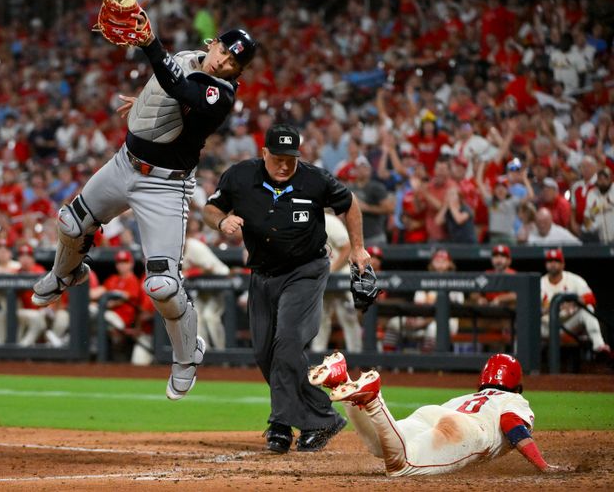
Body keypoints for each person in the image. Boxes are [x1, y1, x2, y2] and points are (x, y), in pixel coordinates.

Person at [31, 15, 257, 400]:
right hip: (125, 163)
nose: (223, 62)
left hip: (164, 186)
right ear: (213, 43)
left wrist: (150, 41)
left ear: (238, 72)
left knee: (163, 286)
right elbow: (168, 90)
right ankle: (66, 274)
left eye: (234, 63)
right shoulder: (188, 57)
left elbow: (181, 88)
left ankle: (188, 356)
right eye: (223, 51)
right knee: (71, 222)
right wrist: (144, 108)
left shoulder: (222, 93)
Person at [203, 123, 370, 453]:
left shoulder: (314, 179)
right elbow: (211, 209)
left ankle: (280, 424)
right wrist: (221, 222)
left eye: (290, 158)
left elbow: (349, 203)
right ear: (264, 153)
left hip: (305, 271)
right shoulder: (239, 177)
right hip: (263, 274)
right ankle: (321, 417)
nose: (284, 164)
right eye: (277, 157)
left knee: (288, 342)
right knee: (265, 353)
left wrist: (357, 248)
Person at [309, 352, 572, 476]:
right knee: (402, 467)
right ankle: (374, 399)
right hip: (463, 430)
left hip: (434, 413)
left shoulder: (467, 397)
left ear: (482, 381)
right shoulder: (515, 399)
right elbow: (511, 422)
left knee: (382, 446)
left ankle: (339, 379)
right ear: (518, 385)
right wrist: (542, 466)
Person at [540, 248, 611, 356]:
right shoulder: (540, 283)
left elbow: (591, 298)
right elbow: (531, 309)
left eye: (556, 261)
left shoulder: (573, 279)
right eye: (550, 261)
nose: (553, 264)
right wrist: (548, 309)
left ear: (563, 264)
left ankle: (599, 346)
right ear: (546, 264)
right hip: (546, 327)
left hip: (568, 324)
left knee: (588, 310)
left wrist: (573, 302)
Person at [311, 211, 361, 354]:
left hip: (341, 273)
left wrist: (332, 269)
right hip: (322, 276)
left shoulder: (329, 221)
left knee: (348, 315)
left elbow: (348, 247)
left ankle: (356, 355)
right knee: (320, 318)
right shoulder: (305, 222)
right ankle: (317, 356)